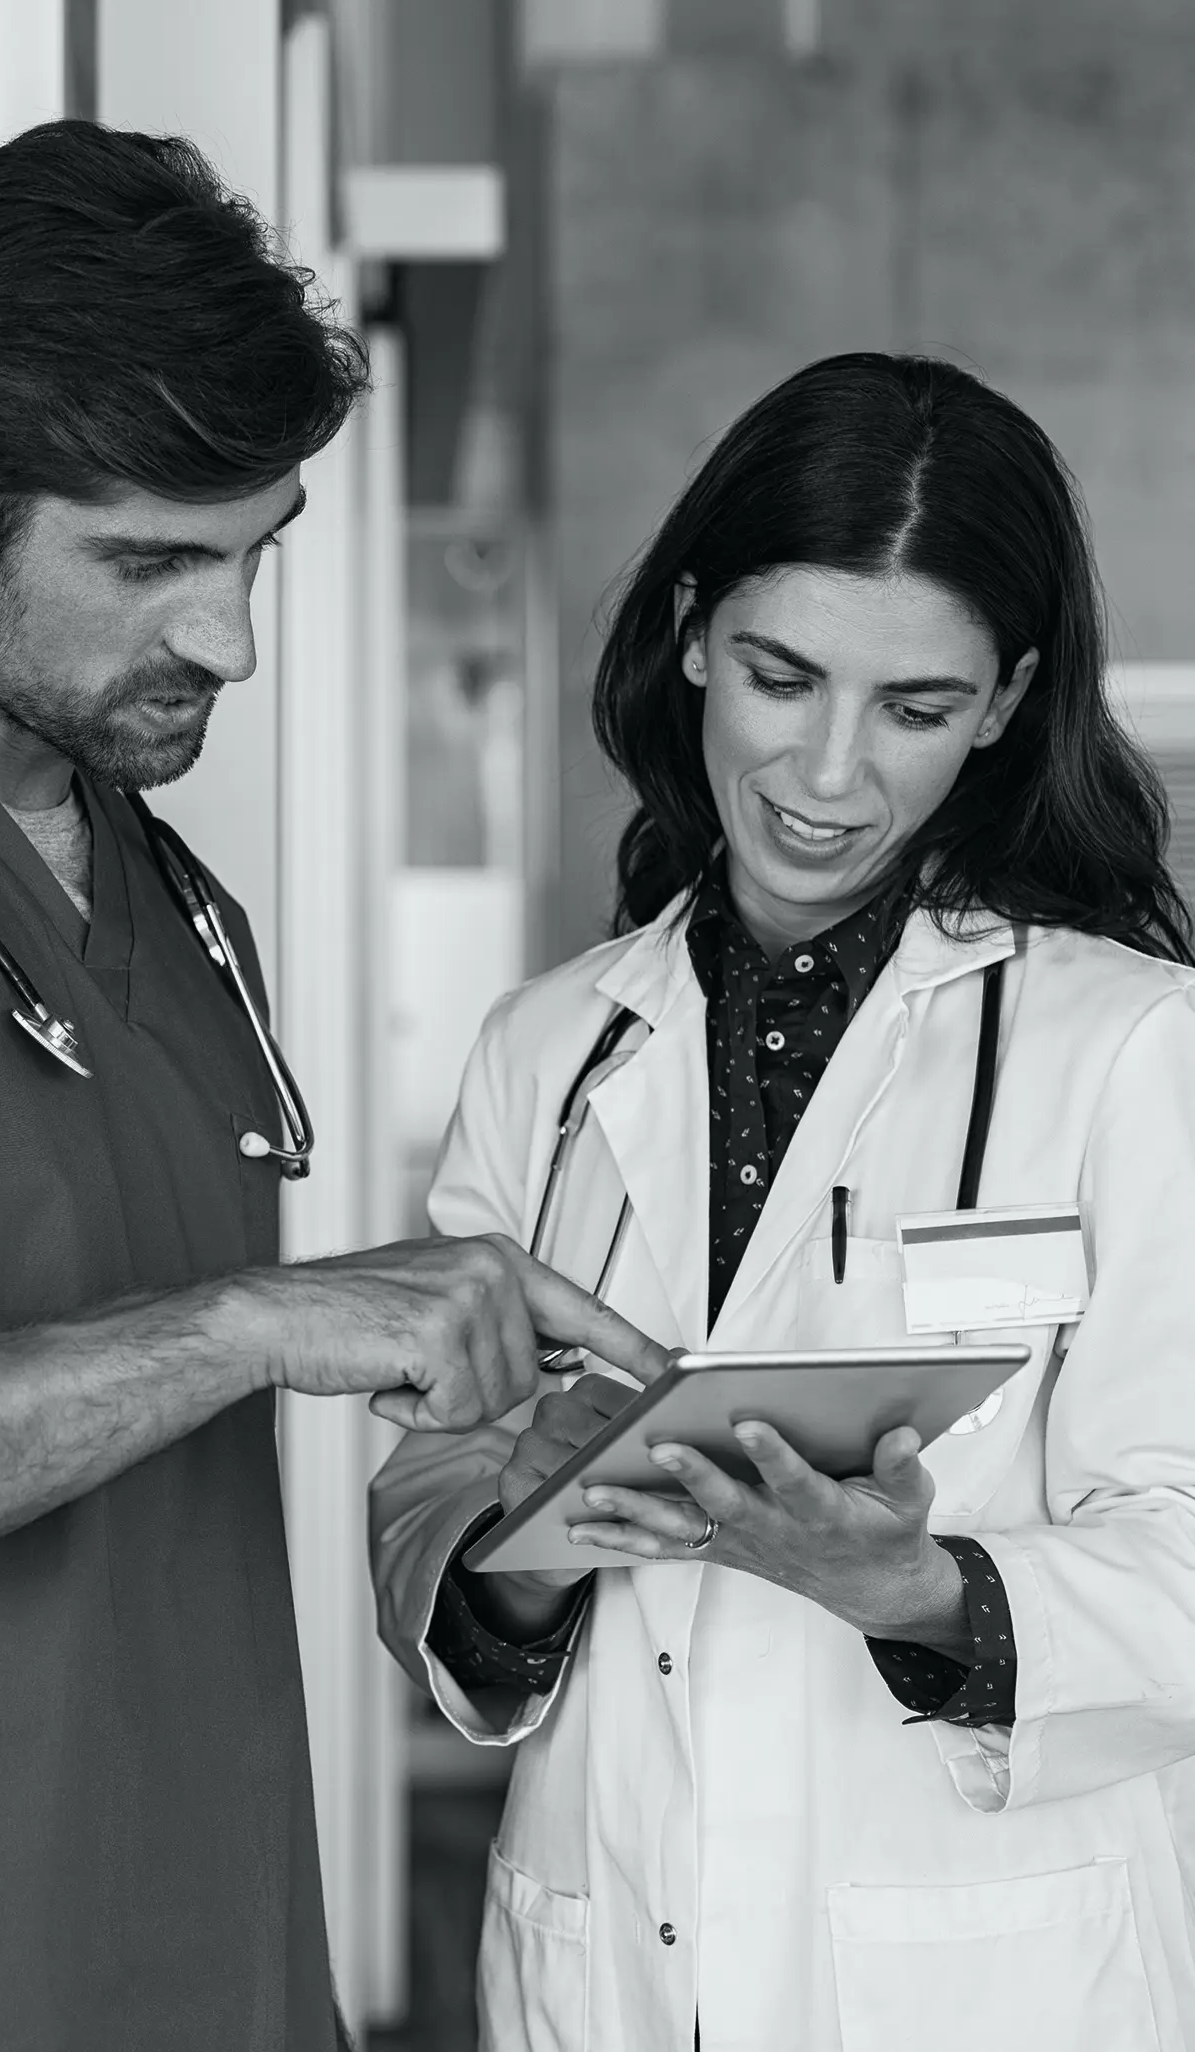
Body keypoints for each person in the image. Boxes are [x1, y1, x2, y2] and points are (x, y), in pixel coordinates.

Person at [0, 120, 666, 2052]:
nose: (231, 638)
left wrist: (426, 1350)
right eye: (152, 562)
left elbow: (106, 1309)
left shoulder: (170, 900)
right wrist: (239, 1323)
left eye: (254, 549)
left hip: (213, 1948)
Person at [370, 352, 1195, 2052]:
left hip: (987, 1981)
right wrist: (521, 1547)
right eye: (779, 675)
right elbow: (422, 1511)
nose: (829, 772)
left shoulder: (1130, 1050)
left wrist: (918, 1589)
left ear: (1003, 703)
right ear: (688, 634)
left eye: (914, 707)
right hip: (614, 1965)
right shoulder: (550, 1050)